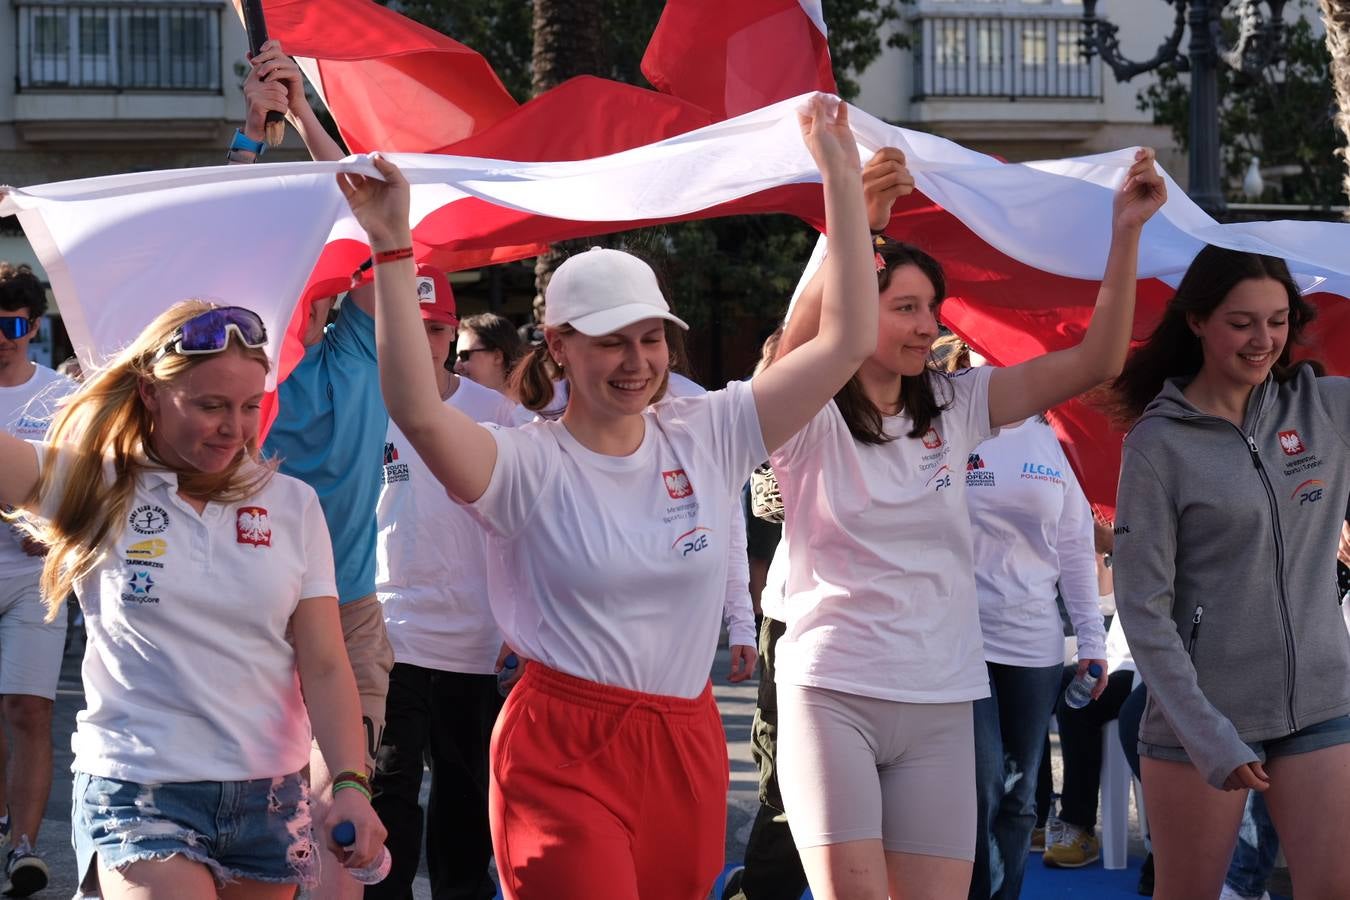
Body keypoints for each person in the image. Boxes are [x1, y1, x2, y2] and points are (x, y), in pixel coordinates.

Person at [345, 95, 881, 899]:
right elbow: (418, 409)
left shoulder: (709, 431)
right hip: (560, 747)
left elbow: (843, 343)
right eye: (610, 343)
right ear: (559, 347)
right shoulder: (524, 465)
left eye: (651, 338)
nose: (636, 361)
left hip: (686, 742)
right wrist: (392, 247)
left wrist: (841, 185)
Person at [767, 146, 1164, 900]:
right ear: (857, 309)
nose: (927, 328)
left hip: (945, 696)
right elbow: (797, 347)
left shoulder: (957, 407)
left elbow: (1097, 359)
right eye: (904, 308)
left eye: (932, 310)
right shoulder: (805, 414)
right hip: (833, 691)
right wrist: (847, 222)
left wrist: (1125, 234)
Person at [0, 301, 385, 898]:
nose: (235, 427)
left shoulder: (293, 505)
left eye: (250, 406)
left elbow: (327, 664)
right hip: (140, 789)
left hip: (270, 799)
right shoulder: (95, 484)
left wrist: (351, 784)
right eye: (211, 406)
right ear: (151, 393)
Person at [1109, 244, 1350, 899]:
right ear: (1196, 320)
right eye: (1242, 322)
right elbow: (1142, 607)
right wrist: (1209, 734)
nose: (1263, 339)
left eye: (1277, 321)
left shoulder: (1326, 408)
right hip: (1203, 718)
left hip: (1321, 703)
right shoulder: (1158, 444)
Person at [239, 40, 397, 899]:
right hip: (249, 605)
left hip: (352, 610)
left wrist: (301, 114)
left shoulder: (361, 349)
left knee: (339, 807)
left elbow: (367, 213)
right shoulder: (231, 378)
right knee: (266, 806)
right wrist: (249, 132)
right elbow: (225, 235)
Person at [368, 268, 531, 900]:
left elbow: (527, 525)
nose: (426, 339)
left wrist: (519, 625)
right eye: (410, 326)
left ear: (452, 332)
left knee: (466, 794)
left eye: (437, 328)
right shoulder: (366, 404)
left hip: (477, 635)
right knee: (389, 790)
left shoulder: (498, 415)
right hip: (391, 632)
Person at [933, 336, 1107, 899]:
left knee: (1018, 796)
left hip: (1033, 643)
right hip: (959, 638)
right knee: (981, 785)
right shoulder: (945, 420)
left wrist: (1093, 641)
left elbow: (1077, 548)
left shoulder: (1057, 439)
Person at [0, 262, 73, 896]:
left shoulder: (60, 398)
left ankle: (23, 846)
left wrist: (54, 523)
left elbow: (83, 485)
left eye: (13, 323)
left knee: (27, 709)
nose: (2, 335)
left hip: (34, 577)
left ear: (33, 325)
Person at [455, 313, 527, 397]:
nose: (456, 367)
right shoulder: (457, 407)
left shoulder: (535, 408)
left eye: (464, 356)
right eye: (456, 357)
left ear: (497, 356)